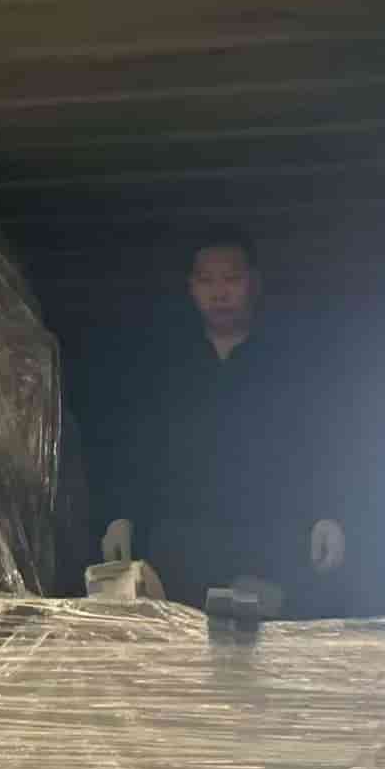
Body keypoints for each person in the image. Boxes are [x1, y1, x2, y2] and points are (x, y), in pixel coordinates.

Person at [101, 227, 349, 612]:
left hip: (269, 540)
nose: (219, 293)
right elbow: (140, 448)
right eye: (206, 281)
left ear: (255, 283)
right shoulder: (165, 364)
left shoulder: (293, 361)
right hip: (181, 544)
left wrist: (329, 514)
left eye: (231, 279)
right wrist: (122, 516)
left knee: (264, 644)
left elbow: (323, 443)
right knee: (182, 643)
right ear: (191, 288)